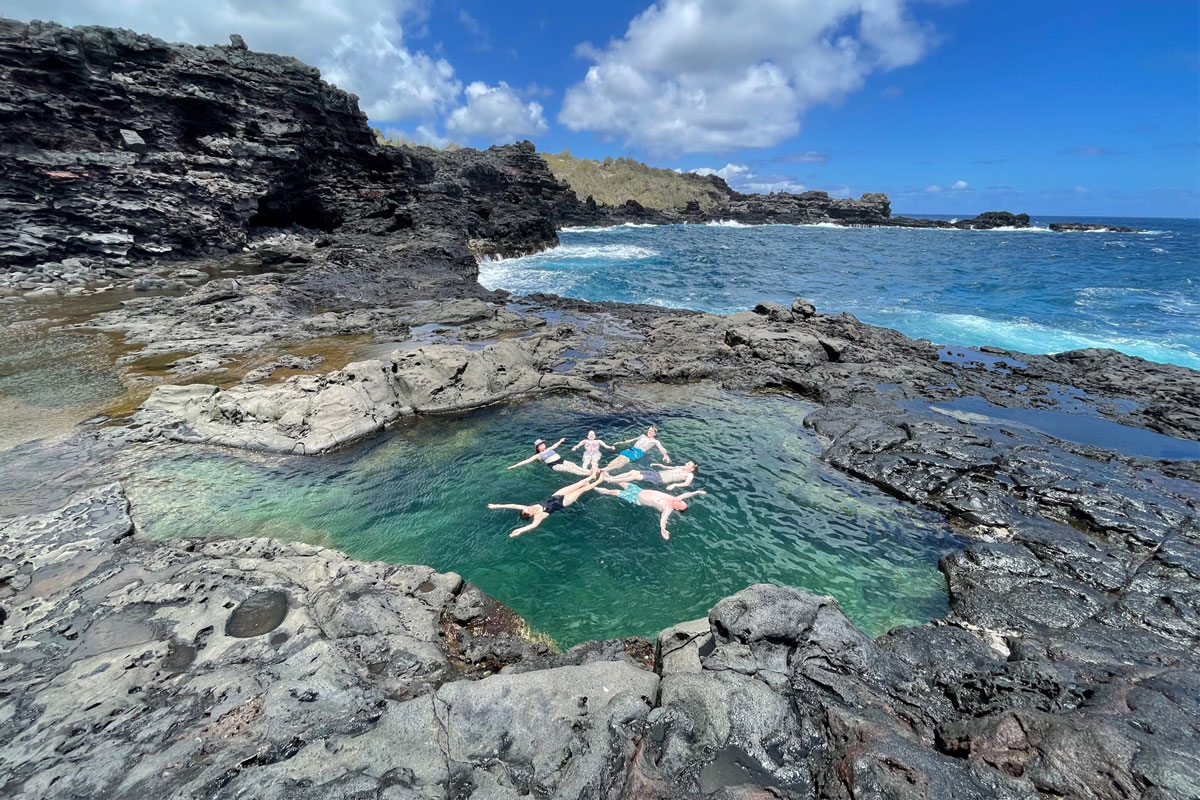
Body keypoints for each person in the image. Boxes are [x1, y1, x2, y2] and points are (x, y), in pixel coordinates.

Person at [487, 470, 605, 537]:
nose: (528, 507)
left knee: (578, 484)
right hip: (563, 502)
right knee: (582, 489)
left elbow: (512, 505)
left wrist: (496, 506)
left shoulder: (527, 508)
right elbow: (533, 526)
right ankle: (599, 480)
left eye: (526, 508)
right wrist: (520, 530)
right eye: (528, 510)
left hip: (555, 496)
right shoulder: (539, 516)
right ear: (530, 514)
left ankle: (592, 476)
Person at [594, 483, 706, 540]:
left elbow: (663, 519)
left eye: (680, 504)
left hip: (635, 498)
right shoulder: (675, 498)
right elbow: (687, 494)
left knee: (613, 491)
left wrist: (663, 529)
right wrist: (697, 492)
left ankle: (599, 489)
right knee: (621, 481)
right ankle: (604, 476)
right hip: (638, 490)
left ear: (677, 509)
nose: (680, 501)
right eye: (682, 501)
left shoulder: (668, 508)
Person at [507, 438, 590, 476]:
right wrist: (514, 466)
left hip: (561, 460)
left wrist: (561, 441)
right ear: (537, 448)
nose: (543, 445)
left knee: (574, 465)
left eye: (543, 444)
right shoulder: (538, 455)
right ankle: (589, 475)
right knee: (570, 469)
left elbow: (555, 445)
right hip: (554, 465)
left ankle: (589, 472)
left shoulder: (549, 448)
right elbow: (527, 461)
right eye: (540, 445)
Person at [604, 425, 669, 472]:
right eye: (649, 430)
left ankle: (605, 470)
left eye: (651, 431)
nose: (649, 432)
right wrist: (620, 443)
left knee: (623, 461)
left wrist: (665, 455)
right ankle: (605, 468)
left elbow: (662, 448)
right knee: (619, 458)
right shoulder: (642, 436)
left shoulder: (655, 441)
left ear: (655, 434)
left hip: (638, 453)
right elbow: (631, 440)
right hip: (631, 449)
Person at [603, 461, 697, 491]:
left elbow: (686, 484)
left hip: (660, 479)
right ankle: (613, 477)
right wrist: (658, 465)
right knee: (633, 471)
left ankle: (610, 480)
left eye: (689, 464)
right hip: (657, 474)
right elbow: (668, 467)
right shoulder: (680, 467)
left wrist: (675, 485)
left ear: (692, 469)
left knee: (635, 476)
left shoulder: (689, 475)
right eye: (687, 462)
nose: (686, 464)